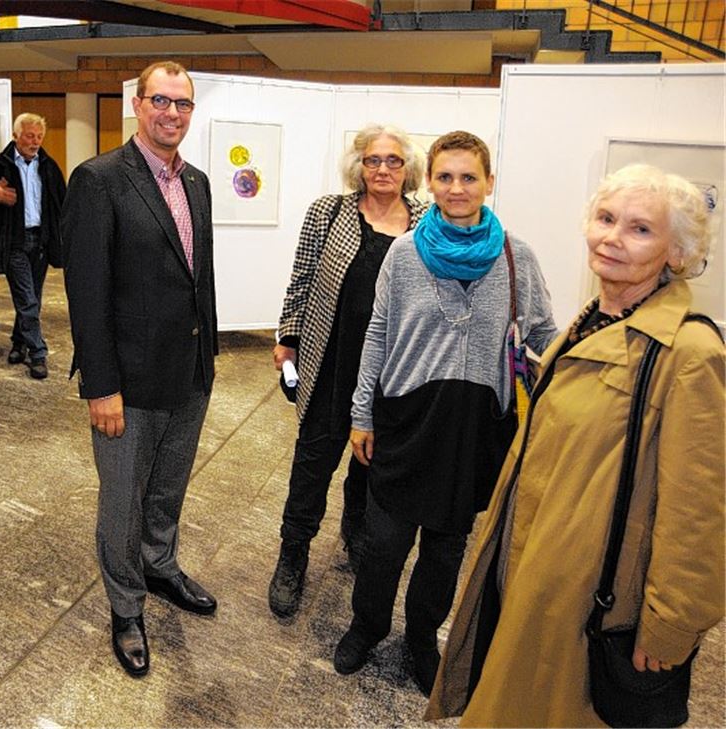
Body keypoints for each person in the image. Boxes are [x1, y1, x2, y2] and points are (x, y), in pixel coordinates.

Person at [427, 164, 725, 726]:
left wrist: (672, 626)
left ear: (677, 253)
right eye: (606, 219)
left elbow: (700, 516)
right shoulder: (590, 323)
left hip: (588, 593)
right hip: (532, 561)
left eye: (640, 229)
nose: (612, 237)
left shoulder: (688, 353)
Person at [334, 131, 558, 694]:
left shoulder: (516, 256)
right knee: (382, 543)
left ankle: (421, 638)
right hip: (406, 419)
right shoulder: (405, 253)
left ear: (489, 181)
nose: (456, 189)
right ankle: (368, 625)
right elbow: (377, 335)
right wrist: (362, 414)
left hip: (475, 428)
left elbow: (545, 335)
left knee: (446, 548)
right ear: (428, 181)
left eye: (469, 177)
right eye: (445, 177)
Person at [62, 61, 218, 678]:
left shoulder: (199, 182)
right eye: (161, 101)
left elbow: (195, 277)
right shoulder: (99, 180)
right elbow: (87, 292)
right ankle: (126, 607)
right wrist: (101, 385)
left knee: (168, 488)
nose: (171, 114)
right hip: (127, 381)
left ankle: (160, 566)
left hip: (189, 372)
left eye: (182, 104)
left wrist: (208, 356)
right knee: (122, 501)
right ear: (137, 104)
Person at [268, 124, 429, 619]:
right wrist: (287, 339)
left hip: (394, 369)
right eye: (373, 160)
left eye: (393, 161)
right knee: (313, 463)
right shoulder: (329, 212)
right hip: (333, 359)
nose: (382, 169)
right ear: (358, 167)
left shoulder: (427, 220)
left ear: (409, 169)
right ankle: (292, 554)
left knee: (373, 462)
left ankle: (356, 533)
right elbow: (302, 278)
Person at [0, 113, 65, 379]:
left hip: (40, 242)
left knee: (33, 298)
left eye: (39, 137)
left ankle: (19, 342)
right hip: (13, 243)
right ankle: (38, 353)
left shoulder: (48, 166)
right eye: (30, 136)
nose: (35, 142)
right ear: (16, 136)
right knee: (27, 299)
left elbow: (60, 203)